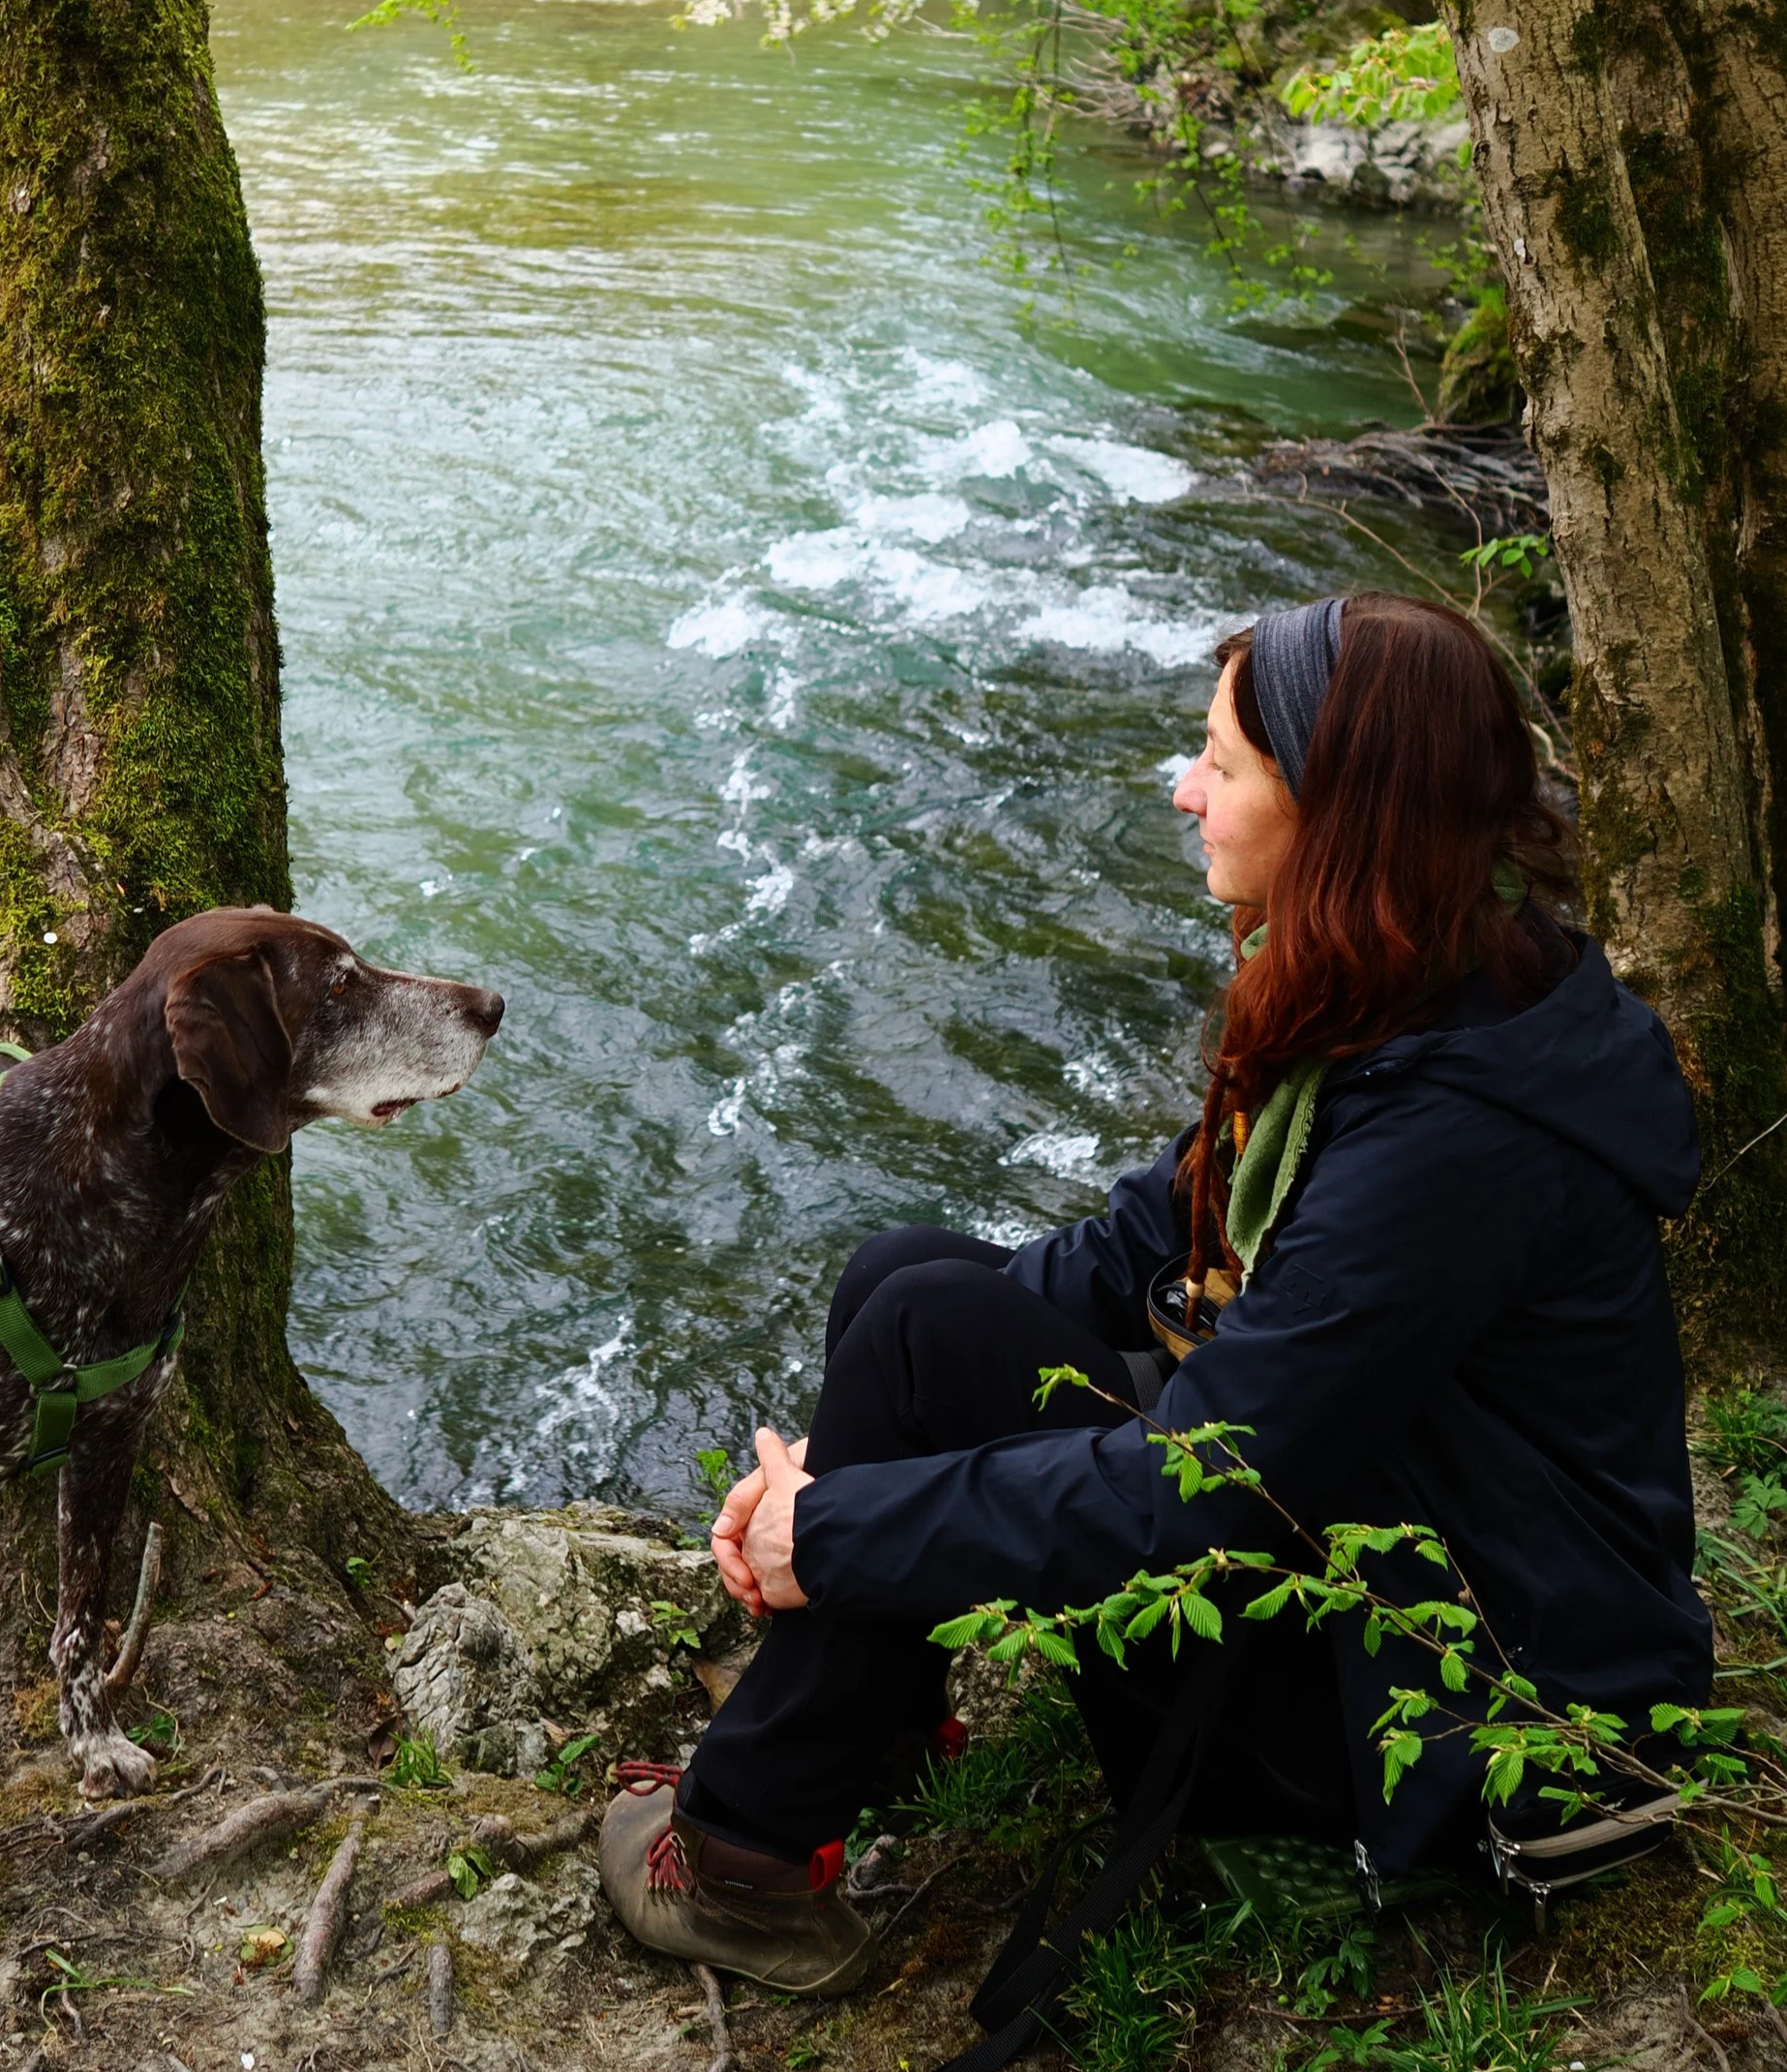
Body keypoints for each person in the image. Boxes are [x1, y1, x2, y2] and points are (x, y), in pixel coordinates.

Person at [600, 592, 1712, 1997]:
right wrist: (878, 1438)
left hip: (1459, 1724)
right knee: (911, 1284)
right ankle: (868, 1721)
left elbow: (1199, 1491)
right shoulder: (1415, 985)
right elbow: (1155, 1235)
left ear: (1342, 813)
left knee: (928, 1335)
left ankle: (747, 1861)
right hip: (1390, 1551)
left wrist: (843, 1526)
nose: (1187, 792)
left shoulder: (1459, 1139)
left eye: (1225, 766)